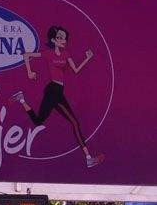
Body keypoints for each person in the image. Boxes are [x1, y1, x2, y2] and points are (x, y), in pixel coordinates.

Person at [13, 25, 104, 168]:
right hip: (53, 90)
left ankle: (21, 99)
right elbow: (26, 55)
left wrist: (87, 58)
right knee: (74, 123)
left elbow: (75, 70)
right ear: (53, 40)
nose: (64, 40)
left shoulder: (66, 54)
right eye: (60, 38)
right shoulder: (48, 53)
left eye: (64, 38)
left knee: (38, 121)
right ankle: (88, 158)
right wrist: (29, 72)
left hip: (57, 91)